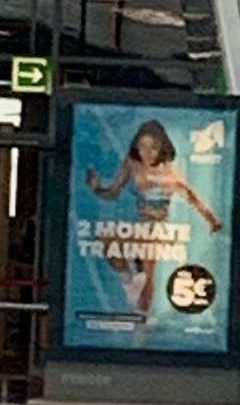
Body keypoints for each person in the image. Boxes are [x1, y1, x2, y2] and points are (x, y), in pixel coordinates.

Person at [84, 119, 223, 319]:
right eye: (142, 147)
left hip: (160, 230)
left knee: (148, 271)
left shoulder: (170, 171)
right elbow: (113, 192)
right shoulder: (132, 165)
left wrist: (212, 220)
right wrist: (96, 188)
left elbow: (193, 198)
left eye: (153, 148)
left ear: (162, 148)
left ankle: (142, 317)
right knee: (107, 242)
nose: (147, 153)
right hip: (139, 226)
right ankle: (129, 281)